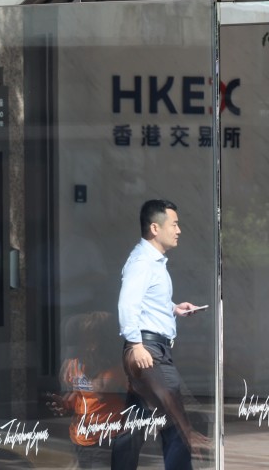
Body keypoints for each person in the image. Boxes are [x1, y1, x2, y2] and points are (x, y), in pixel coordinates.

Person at [112, 199, 210, 470]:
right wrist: (136, 344)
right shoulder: (142, 262)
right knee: (177, 426)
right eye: (174, 224)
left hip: (151, 349)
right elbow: (127, 304)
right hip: (149, 352)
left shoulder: (152, 262)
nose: (179, 230)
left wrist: (174, 308)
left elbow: (146, 301)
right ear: (155, 228)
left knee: (135, 425)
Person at [52, 312, 127, 468]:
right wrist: (66, 403)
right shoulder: (77, 362)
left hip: (105, 439)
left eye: (89, 340)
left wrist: (79, 379)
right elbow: (76, 392)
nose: (84, 345)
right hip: (79, 438)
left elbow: (101, 390)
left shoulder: (116, 367)